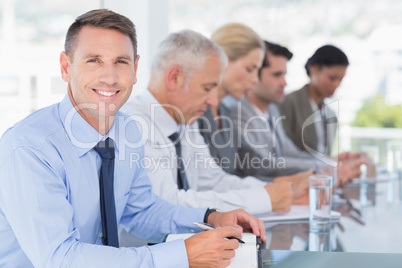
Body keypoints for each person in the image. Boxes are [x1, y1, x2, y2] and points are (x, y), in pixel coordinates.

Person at [0, 9, 266, 267]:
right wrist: (181, 255)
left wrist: (211, 217)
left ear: (136, 68)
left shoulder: (126, 130)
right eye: (94, 60)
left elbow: (141, 211)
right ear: (65, 67)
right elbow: (61, 259)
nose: (110, 77)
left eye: (121, 61)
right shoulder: (29, 148)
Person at [123, 29, 294, 216]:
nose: (213, 100)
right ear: (175, 78)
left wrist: (271, 191)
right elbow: (167, 204)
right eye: (207, 88)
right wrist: (263, 199)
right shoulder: (135, 123)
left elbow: (214, 181)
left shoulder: (185, 120)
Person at [196, 23, 311, 202]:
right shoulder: (196, 112)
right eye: (250, 69)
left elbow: (238, 172)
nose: (255, 79)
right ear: (223, 60)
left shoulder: (224, 112)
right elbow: (208, 184)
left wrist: (287, 187)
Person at [225, 41, 363, 186]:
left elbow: (289, 150)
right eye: (277, 75)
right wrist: (325, 166)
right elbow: (264, 164)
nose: (284, 83)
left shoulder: (272, 109)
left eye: (284, 74)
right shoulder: (235, 112)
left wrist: (328, 162)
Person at [279, 44, 348, 157]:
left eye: (340, 79)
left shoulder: (331, 114)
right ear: (314, 68)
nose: (337, 85)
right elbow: (285, 154)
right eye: (332, 78)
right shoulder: (288, 103)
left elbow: (324, 157)